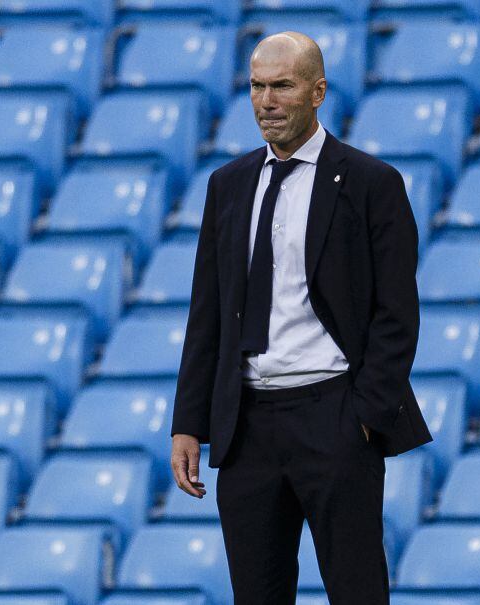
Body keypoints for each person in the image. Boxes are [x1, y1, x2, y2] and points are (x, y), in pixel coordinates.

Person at [170, 30, 433, 604]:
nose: (266, 102)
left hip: (334, 416)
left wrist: (363, 417)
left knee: (357, 591)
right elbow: (208, 312)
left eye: (282, 87)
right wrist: (189, 422)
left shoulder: (372, 184)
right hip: (247, 426)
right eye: (257, 87)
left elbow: (397, 313)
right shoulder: (228, 185)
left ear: (317, 92)